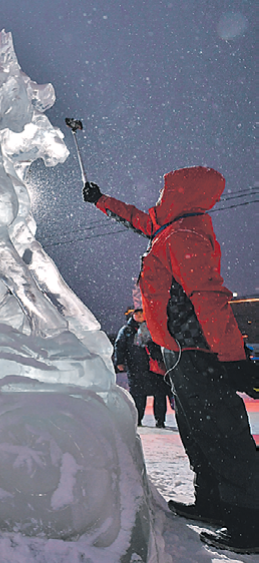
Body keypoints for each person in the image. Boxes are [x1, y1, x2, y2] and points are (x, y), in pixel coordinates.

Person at [83, 166, 259, 553]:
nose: (159, 198)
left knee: (221, 433)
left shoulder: (184, 235)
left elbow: (209, 297)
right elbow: (141, 220)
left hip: (198, 351)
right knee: (196, 431)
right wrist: (101, 201)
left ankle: (250, 521)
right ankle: (213, 502)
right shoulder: (167, 231)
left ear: (181, 193)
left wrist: (232, 357)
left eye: (166, 192)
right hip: (178, 352)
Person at [113, 309, 167, 427]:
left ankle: (160, 420)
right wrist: (120, 362)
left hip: (154, 366)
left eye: (141, 313)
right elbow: (120, 346)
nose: (139, 315)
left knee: (159, 393)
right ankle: (137, 419)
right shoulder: (127, 330)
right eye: (136, 313)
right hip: (136, 367)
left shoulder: (154, 326)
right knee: (138, 395)